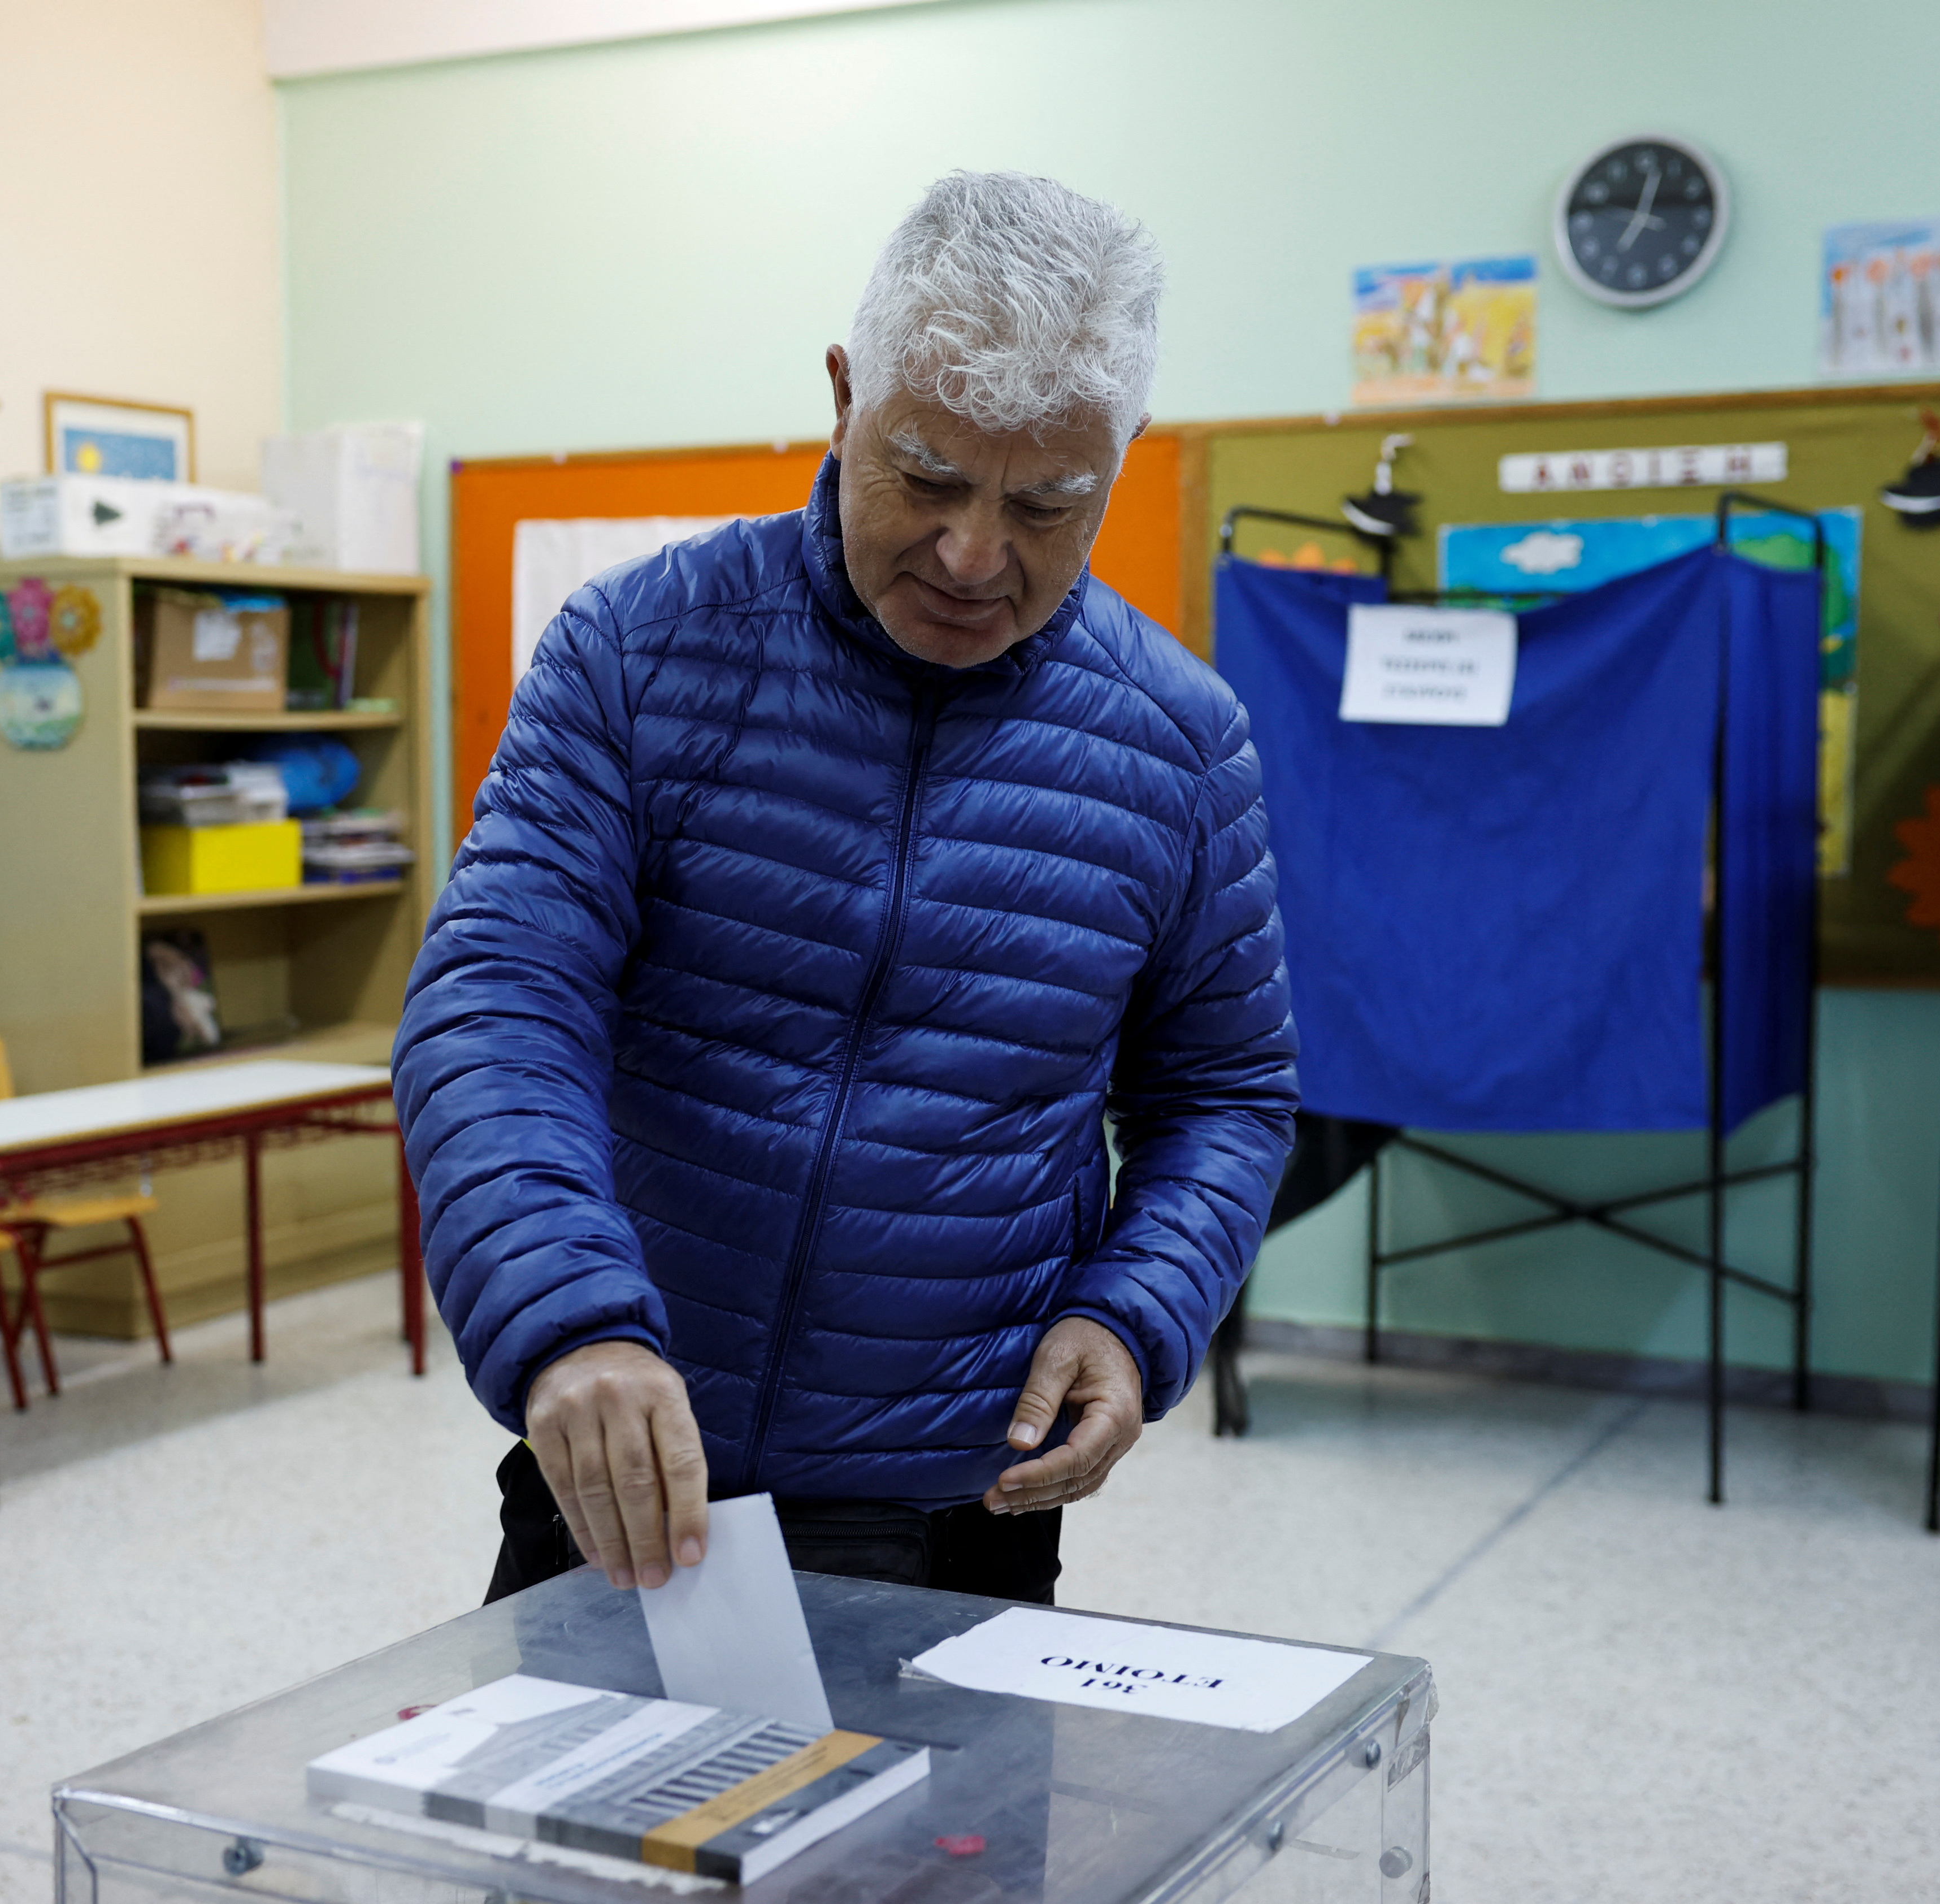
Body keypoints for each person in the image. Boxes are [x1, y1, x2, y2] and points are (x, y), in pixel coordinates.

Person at [394, 171, 1299, 1608]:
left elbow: (1226, 1093)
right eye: (926, 476)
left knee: (940, 1847)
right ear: (841, 395)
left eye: (1050, 505)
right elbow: (500, 1000)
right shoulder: (637, 655)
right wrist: (569, 1317)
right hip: (628, 1470)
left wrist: (1134, 1316)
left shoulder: (1178, 742)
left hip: (960, 1505)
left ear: (1120, 460)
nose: (970, 555)